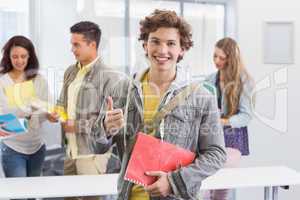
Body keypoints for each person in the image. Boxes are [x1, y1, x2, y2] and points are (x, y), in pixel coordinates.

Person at [90, 9, 226, 200]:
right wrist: (104, 128)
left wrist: (174, 182)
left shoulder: (201, 97)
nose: (162, 50)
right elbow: (96, 147)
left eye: (171, 43)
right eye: (155, 41)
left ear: (182, 49)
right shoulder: (122, 90)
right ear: (145, 45)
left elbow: (216, 154)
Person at [47, 21, 122, 200]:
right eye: (71, 44)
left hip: (92, 155)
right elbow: (62, 103)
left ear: (92, 45)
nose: (72, 49)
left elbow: (110, 123)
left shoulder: (110, 77)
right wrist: (55, 113)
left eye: (76, 45)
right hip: (70, 152)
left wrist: (77, 125)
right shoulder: (70, 72)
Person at [204, 37, 254, 200]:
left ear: (231, 59)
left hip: (232, 138)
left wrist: (223, 121)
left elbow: (246, 116)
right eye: (214, 56)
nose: (216, 61)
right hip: (212, 136)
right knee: (206, 185)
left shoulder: (245, 82)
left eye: (221, 58)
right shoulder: (210, 79)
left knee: (221, 189)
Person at [0, 35, 49, 179]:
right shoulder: (3, 81)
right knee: (19, 194)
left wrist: (47, 114)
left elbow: (45, 111)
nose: (19, 61)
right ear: (8, 56)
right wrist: (30, 111)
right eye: (15, 56)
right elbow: (3, 121)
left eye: (23, 56)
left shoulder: (39, 79)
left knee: (33, 193)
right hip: (12, 148)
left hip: (37, 147)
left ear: (30, 56)